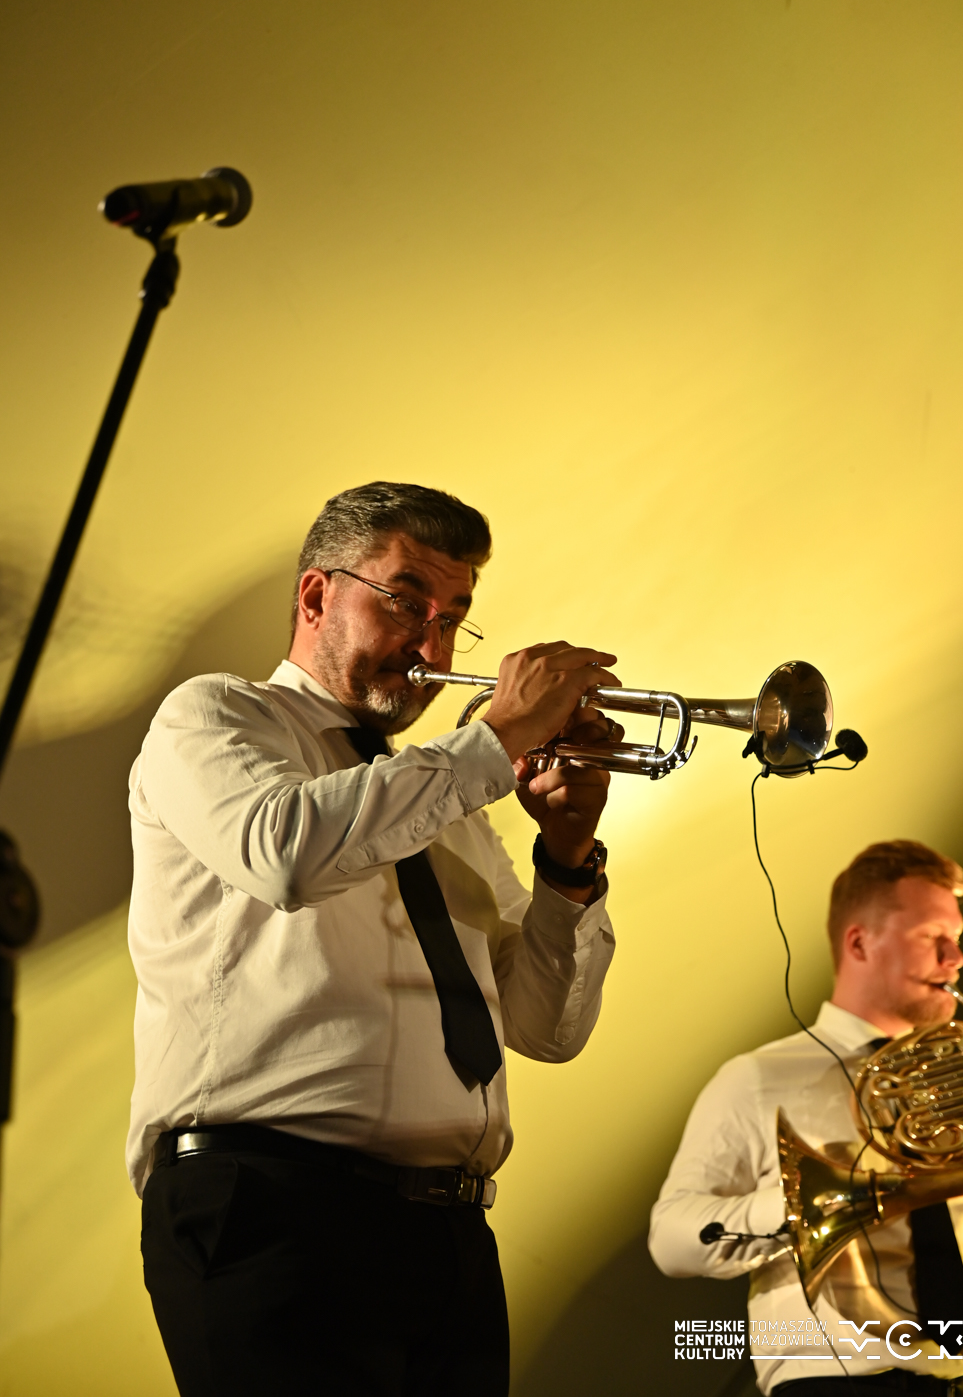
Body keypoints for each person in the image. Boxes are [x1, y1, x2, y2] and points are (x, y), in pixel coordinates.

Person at [128, 481, 621, 1397]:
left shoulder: (449, 801)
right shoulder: (217, 716)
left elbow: (546, 1029)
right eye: (405, 600)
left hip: (449, 1232)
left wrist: (566, 860)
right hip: (269, 1207)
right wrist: (498, 737)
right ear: (317, 595)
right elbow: (284, 854)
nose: (431, 645)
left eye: (452, 619)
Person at [648, 839, 963, 1397]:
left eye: (956, 937)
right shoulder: (760, 1076)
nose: (954, 958)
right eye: (932, 936)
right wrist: (813, 1202)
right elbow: (671, 1239)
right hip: (837, 1381)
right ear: (860, 942)